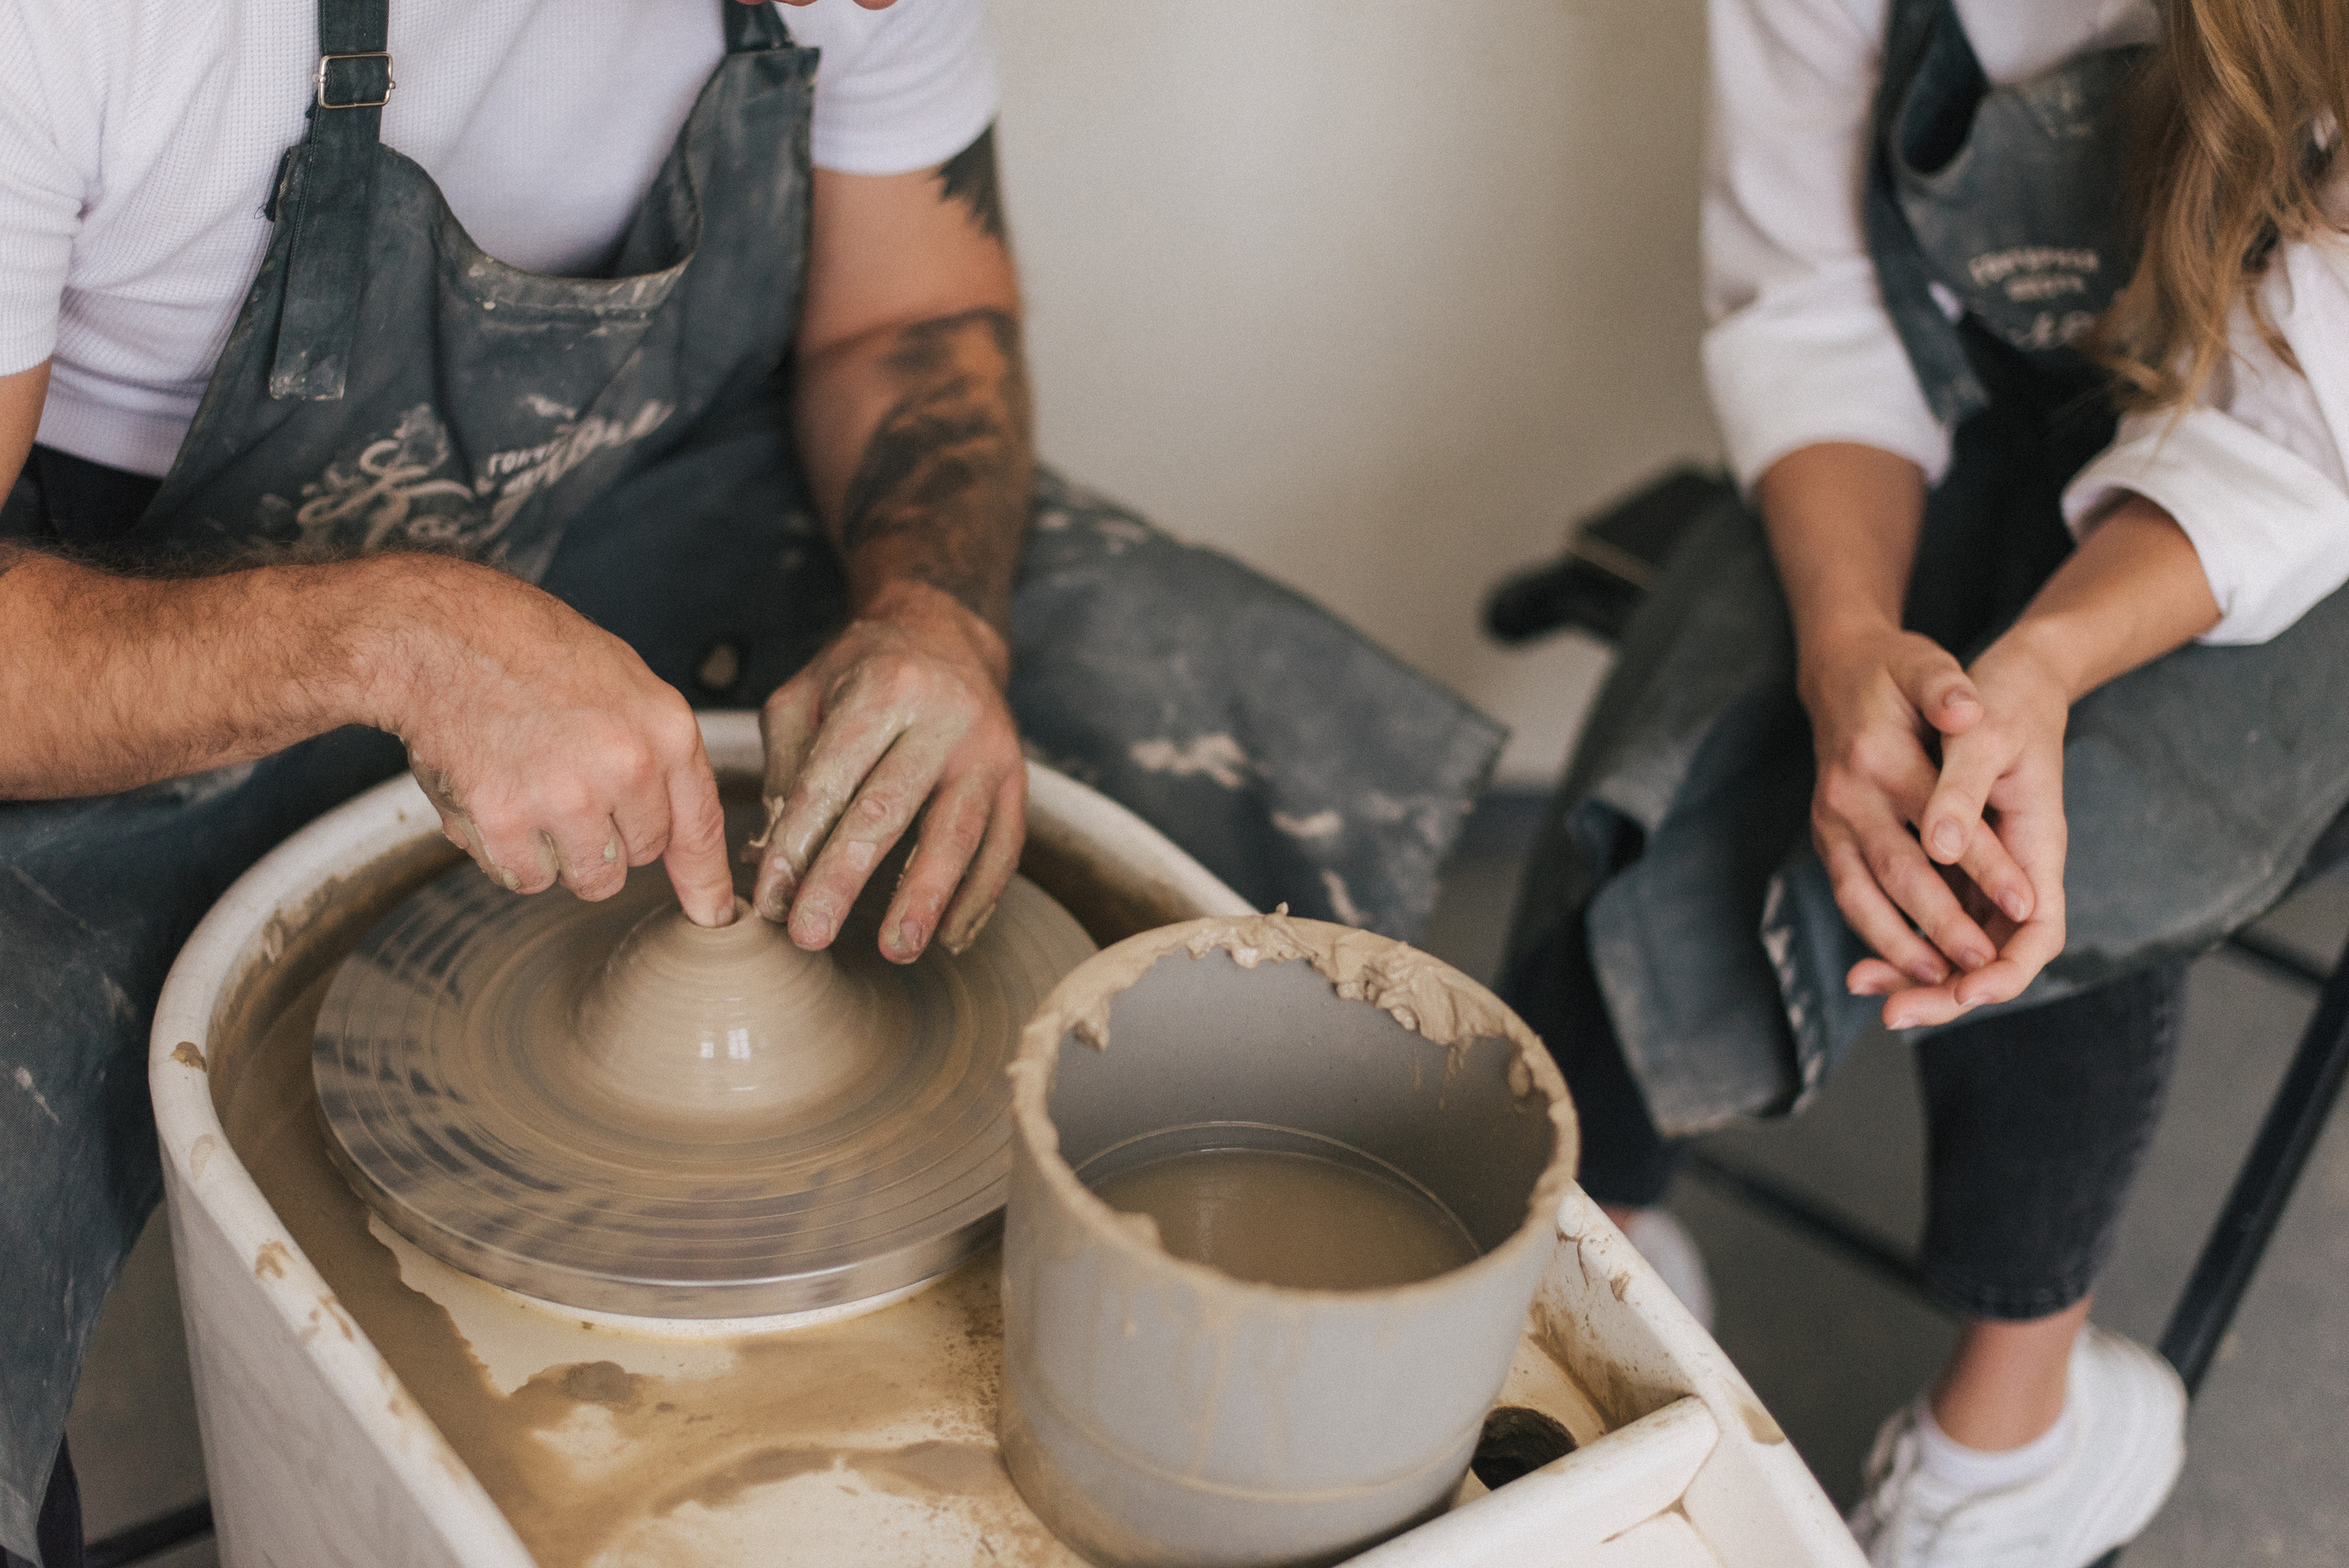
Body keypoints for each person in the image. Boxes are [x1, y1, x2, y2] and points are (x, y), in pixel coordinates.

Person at [0, 3, 1504, 1561]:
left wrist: (935, 616)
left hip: (631, 501)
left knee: (1178, 677)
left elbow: (910, 324)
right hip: (134, 612)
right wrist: (395, 640)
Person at [1501, 0, 2349, 1563]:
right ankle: (1603, 1276)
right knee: (1693, 736)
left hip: (2305, 476)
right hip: (1973, 391)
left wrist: (2034, 676)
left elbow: (2308, 422)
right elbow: (1810, 297)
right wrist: (1849, 649)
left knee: (2057, 829)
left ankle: (2007, 1447)